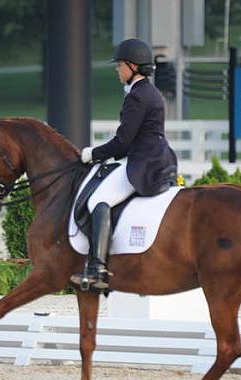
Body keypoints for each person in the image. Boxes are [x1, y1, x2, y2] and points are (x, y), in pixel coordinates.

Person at [71, 38, 178, 290]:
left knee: (99, 200)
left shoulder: (138, 97)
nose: (117, 70)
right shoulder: (150, 92)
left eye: (120, 65)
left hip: (144, 164)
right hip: (159, 157)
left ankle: (97, 268)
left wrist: (92, 154)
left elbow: (122, 143)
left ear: (132, 66)